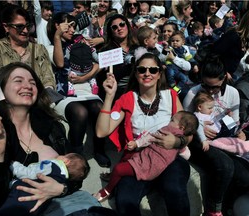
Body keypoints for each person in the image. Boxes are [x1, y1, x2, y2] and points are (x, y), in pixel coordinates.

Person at [0, 62, 103, 216]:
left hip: (62, 204)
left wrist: (60, 189)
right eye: (18, 81)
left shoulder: (53, 127)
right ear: (1, 89)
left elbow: (77, 175)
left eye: (32, 82)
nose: (27, 86)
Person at [96, 52, 192, 216]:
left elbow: (188, 133)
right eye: (142, 70)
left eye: (152, 70)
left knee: (175, 190)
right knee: (125, 201)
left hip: (168, 158)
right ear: (136, 73)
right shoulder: (128, 99)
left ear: (159, 74)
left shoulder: (170, 95)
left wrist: (175, 143)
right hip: (138, 161)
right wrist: (109, 96)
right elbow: (101, 131)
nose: (147, 73)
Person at [183, 55, 249, 215]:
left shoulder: (232, 93)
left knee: (244, 175)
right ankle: (213, 209)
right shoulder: (193, 93)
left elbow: (234, 121)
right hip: (200, 142)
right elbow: (183, 123)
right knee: (225, 166)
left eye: (216, 88)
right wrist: (199, 128)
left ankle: (229, 205)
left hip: (224, 140)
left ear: (225, 78)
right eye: (207, 87)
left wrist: (240, 133)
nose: (211, 92)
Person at [47, 12, 110, 167]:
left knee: (98, 108)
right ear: (58, 26)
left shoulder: (82, 42)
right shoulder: (49, 47)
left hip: (88, 91)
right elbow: (60, 63)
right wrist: (57, 36)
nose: (72, 30)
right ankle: (76, 156)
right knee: (80, 112)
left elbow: (99, 63)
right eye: (69, 26)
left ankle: (99, 150)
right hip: (65, 95)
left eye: (74, 27)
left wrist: (84, 77)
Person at [94, 111, 198, 202]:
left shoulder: (168, 130)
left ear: (181, 127)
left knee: (118, 169)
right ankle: (114, 177)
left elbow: (149, 138)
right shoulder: (178, 136)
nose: (169, 121)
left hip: (147, 164)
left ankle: (107, 190)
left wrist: (137, 143)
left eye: (172, 120)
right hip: (149, 158)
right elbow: (186, 154)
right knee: (128, 156)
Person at [0, 153, 90, 216]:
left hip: (19, 195)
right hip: (33, 208)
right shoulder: (62, 179)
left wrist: (13, 165)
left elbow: (28, 173)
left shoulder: (52, 165)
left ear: (66, 161)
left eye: (64, 155)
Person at [0, 3, 56, 89]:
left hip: (37, 99)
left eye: (28, 26)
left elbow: (48, 79)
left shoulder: (39, 49)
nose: (25, 31)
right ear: (6, 27)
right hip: (7, 100)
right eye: (19, 27)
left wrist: (46, 94)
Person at [193, 90, 249, 159]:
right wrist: (203, 140)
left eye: (212, 107)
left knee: (229, 121)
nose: (211, 110)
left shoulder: (209, 113)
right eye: (209, 108)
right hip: (213, 136)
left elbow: (217, 119)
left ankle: (237, 131)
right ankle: (234, 141)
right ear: (199, 107)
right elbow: (198, 129)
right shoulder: (197, 116)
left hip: (220, 130)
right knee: (229, 130)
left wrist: (225, 114)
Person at [97, 13, 137, 102]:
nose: (119, 28)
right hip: (115, 94)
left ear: (127, 26)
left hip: (137, 91)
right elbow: (101, 78)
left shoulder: (138, 48)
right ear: (111, 32)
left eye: (122, 24)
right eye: (114, 27)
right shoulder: (106, 51)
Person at [211, 10, 249, 82]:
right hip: (217, 75)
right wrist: (224, 71)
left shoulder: (246, 39)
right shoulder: (233, 35)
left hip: (231, 75)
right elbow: (214, 53)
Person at [164, 31, 197, 96]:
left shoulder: (184, 49)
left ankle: (176, 89)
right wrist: (165, 48)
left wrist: (195, 64)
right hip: (171, 67)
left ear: (183, 42)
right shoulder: (169, 48)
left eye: (177, 41)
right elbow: (163, 56)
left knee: (184, 78)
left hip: (179, 70)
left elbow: (189, 59)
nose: (175, 42)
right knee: (170, 74)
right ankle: (172, 85)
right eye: (173, 41)